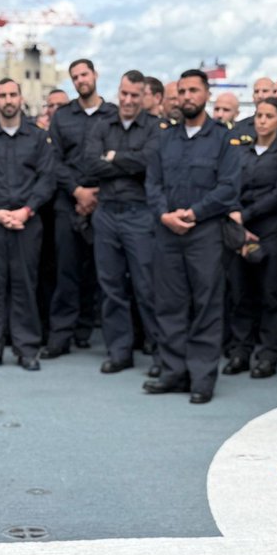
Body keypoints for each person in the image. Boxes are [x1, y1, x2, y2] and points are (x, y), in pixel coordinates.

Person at [143, 68, 241, 404]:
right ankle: (173, 372)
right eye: (182, 91)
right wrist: (163, 214)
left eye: (193, 91)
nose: (186, 97)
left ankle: (201, 378)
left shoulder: (222, 139)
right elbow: (152, 183)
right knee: (169, 305)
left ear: (206, 94)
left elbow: (229, 187)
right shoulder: (164, 139)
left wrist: (195, 212)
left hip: (206, 233)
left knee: (206, 305)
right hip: (167, 232)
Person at [0, 78, 56, 370]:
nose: (8, 100)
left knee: (25, 286)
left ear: (20, 98)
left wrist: (26, 211)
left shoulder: (37, 136)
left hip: (26, 223)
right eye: (2, 95)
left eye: (12, 94)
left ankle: (27, 348)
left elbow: (47, 178)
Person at [81, 69, 162, 374]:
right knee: (111, 287)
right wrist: (126, 161)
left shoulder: (154, 128)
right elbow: (90, 165)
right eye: (124, 94)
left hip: (139, 214)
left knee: (147, 287)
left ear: (144, 96)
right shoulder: (102, 126)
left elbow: (150, 162)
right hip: (107, 214)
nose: (128, 100)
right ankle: (119, 351)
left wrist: (113, 158)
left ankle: (160, 354)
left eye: (134, 95)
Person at [43, 58, 116, 358]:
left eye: (84, 74)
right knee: (67, 271)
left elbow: (118, 157)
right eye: (75, 77)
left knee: (101, 272)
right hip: (68, 202)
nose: (81, 80)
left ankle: (88, 329)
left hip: (105, 202)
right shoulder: (62, 117)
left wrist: (95, 193)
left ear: (95, 75)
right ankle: (61, 335)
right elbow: (54, 161)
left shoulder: (112, 115)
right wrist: (77, 191)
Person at [224, 97, 277, 378]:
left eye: (268, 116)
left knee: (271, 294)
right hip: (240, 231)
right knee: (241, 293)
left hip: (272, 230)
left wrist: (247, 214)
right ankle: (241, 350)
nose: (262, 121)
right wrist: (236, 216)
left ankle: (268, 353)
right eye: (259, 115)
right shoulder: (241, 152)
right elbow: (229, 184)